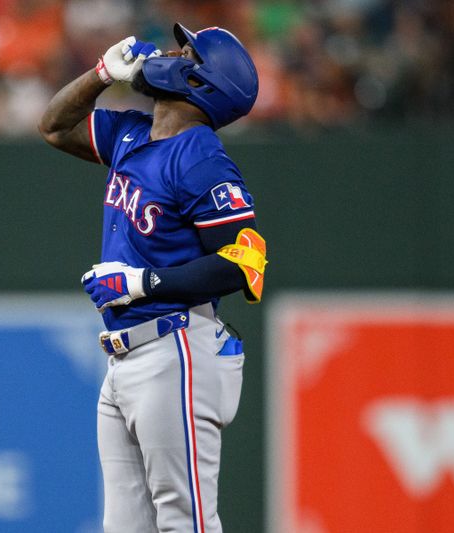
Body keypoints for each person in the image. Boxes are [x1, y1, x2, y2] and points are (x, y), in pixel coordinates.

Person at [39, 22, 267, 532]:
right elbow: (53, 126)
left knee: (185, 523)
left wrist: (144, 283)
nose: (168, 52)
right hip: (124, 356)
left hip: (175, 346)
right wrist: (98, 75)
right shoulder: (132, 133)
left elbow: (243, 263)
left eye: (184, 50)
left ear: (203, 81)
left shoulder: (202, 157)